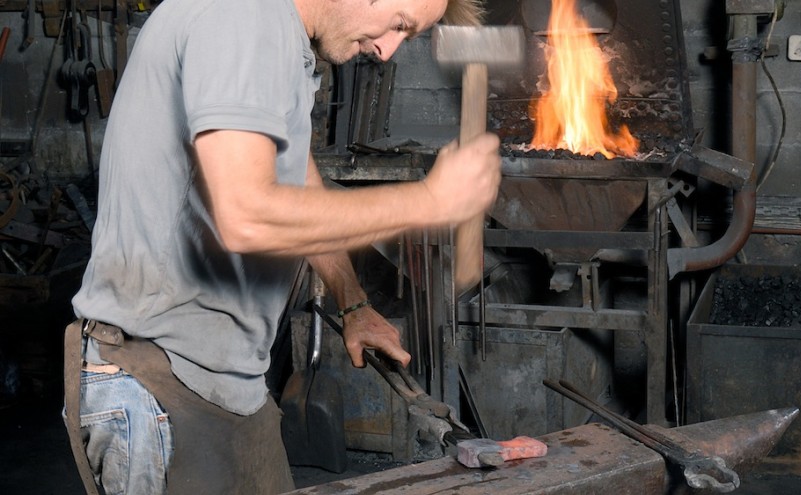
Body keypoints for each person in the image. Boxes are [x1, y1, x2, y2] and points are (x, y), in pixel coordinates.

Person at [63, 0, 500, 493]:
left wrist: (352, 300)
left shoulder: (281, 38)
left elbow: (297, 173)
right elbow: (245, 215)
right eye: (399, 24)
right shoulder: (242, 15)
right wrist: (428, 200)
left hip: (229, 381)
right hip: (160, 382)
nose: (387, 49)